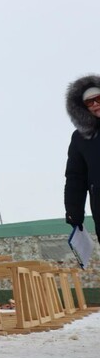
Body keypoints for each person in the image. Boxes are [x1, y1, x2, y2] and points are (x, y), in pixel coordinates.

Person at [65, 77, 100, 245]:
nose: (95, 104)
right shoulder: (81, 138)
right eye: (89, 102)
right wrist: (74, 211)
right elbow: (75, 178)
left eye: (98, 99)